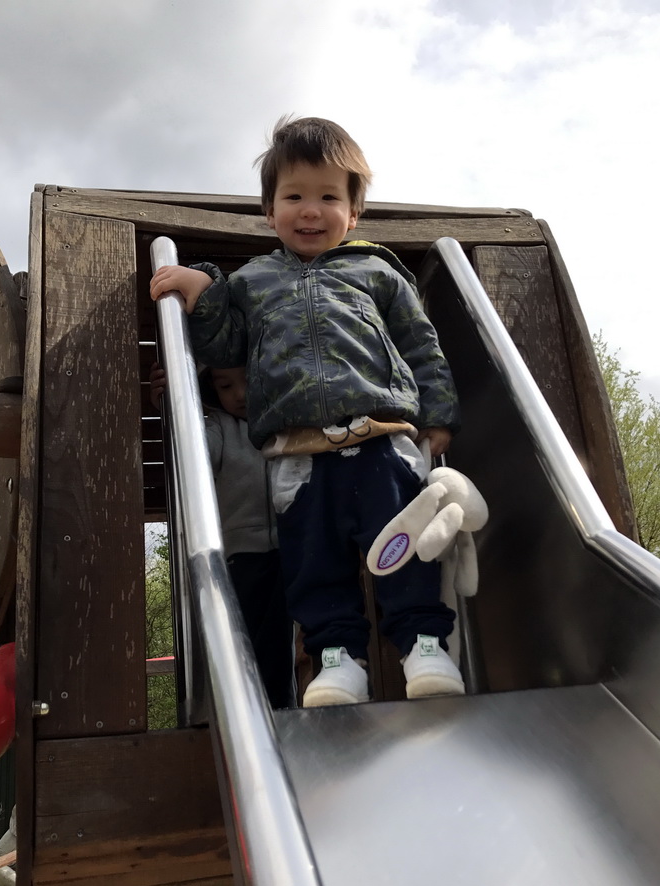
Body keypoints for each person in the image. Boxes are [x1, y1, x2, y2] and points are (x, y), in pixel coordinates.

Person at [150, 116, 462, 708]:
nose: (310, 210)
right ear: (269, 211)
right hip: (297, 450)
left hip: (381, 436)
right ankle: (336, 658)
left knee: (404, 543)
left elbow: (421, 345)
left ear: (354, 212)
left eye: (328, 197)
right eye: (294, 196)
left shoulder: (377, 272)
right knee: (312, 560)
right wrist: (204, 291)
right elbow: (224, 348)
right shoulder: (253, 280)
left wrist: (438, 414)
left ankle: (423, 643)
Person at [151, 361, 297, 710]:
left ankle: (281, 707)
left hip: (289, 551)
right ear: (212, 391)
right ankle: (246, 710)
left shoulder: (287, 425)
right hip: (240, 555)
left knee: (279, 640)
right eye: (226, 386)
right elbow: (193, 453)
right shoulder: (219, 427)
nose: (241, 394)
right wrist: (171, 405)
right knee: (246, 636)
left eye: (247, 381)